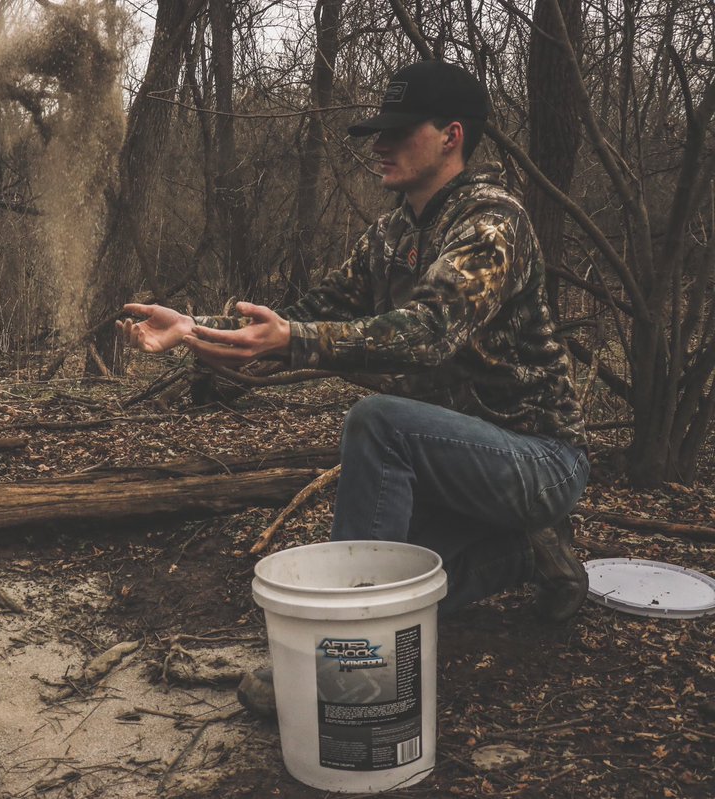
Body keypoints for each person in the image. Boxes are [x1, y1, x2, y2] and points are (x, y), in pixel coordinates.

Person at [120, 61, 590, 625]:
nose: (380, 145)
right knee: (403, 584)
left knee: (378, 422)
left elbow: (428, 334)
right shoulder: (391, 235)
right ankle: (521, 553)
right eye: (378, 132)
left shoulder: (491, 222)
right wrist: (192, 329)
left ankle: (342, 645)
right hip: (451, 459)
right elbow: (305, 317)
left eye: (399, 131)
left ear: (451, 136)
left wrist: (294, 339)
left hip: (538, 459)